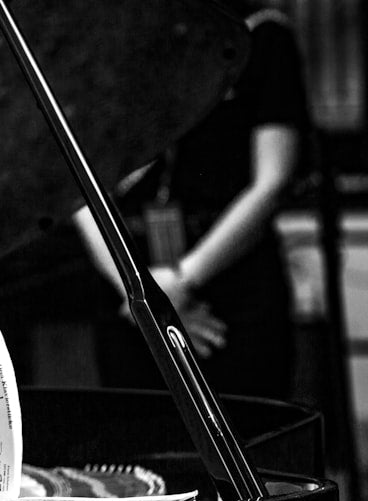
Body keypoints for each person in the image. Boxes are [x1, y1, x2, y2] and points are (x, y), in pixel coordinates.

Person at [75, 2, 311, 399]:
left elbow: (272, 181)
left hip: (229, 277)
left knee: (250, 429)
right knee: (137, 442)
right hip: (130, 280)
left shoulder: (260, 32)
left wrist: (181, 281)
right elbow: (75, 189)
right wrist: (140, 290)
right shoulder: (103, 39)